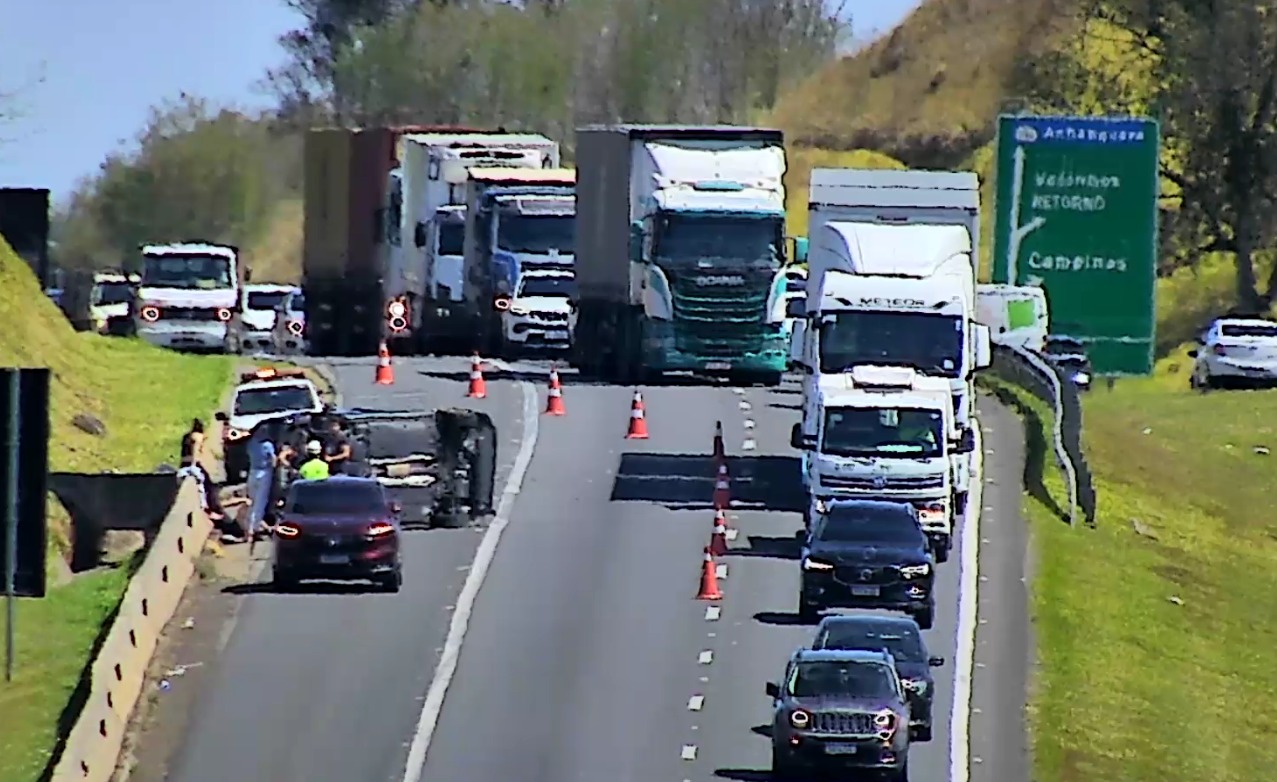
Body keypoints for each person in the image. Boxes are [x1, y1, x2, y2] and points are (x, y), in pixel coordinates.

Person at [244, 421, 279, 540]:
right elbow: (273, 460)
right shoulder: (267, 444)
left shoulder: (251, 443)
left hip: (252, 471)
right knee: (260, 502)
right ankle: (253, 529)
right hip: (264, 472)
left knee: (251, 501)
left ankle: (248, 527)